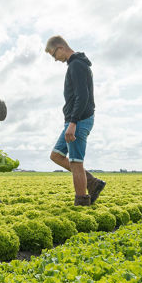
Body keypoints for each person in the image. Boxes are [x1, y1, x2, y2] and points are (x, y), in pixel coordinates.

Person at [45, 36, 106, 206]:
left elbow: (83, 96)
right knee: (56, 155)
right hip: (74, 119)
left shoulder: (77, 65)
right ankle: (92, 182)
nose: (55, 59)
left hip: (79, 120)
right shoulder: (76, 64)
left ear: (60, 48)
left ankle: (82, 202)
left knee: (76, 162)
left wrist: (73, 122)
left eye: (53, 55)